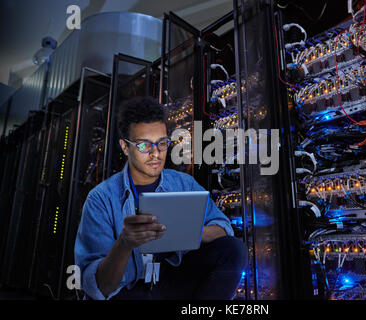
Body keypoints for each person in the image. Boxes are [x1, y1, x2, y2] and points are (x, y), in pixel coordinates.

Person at [74, 97, 248, 300]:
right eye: (143, 146)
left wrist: (190, 232)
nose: (156, 154)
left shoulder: (184, 184)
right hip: (128, 290)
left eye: (162, 143)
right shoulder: (101, 199)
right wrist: (124, 243)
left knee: (233, 249)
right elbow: (98, 287)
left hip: (169, 283)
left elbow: (222, 227)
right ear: (124, 147)